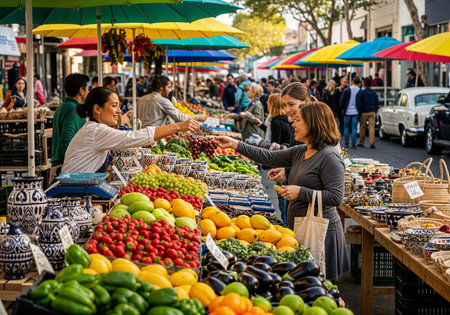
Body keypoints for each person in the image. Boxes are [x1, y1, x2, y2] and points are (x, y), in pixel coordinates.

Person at [216, 102, 349, 281]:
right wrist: (234, 144)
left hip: (321, 232)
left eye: (298, 120)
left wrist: (301, 192)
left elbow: (336, 197)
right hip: (301, 227)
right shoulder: (302, 151)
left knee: (320, 287)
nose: (293, 124)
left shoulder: (330, 157)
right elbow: (268, 157)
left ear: (314, 124)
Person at [62, 87, 200, 173]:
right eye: (114, 106)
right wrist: (178, 126)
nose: (118, 111)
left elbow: (124, 138)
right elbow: (131, 138)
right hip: (73, 192)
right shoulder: (96, 131)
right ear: (97, 109)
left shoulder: (94, 129)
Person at [254, 93, 292, 225]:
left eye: (269, 102)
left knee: (282, 196)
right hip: (284, 162)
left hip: (281, 163)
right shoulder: (280, 120)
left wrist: (259, 144)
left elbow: (275, 145)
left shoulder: (276, 121)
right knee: (284, 196)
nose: (267, 104)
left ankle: (285, 224)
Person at [50, 73, 90, 183]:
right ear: (81, 90)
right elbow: (66, 139)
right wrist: (73, 164)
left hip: (61, 165)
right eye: (87, 89)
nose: (88, 92)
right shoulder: (73, 109)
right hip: (65, 168)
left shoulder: (63, 106)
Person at [137, 75, 207, 128]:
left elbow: (133, 119)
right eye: (169, 87)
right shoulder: (163, 101)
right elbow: (180, 118)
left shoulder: (141, 99)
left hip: (141, 136)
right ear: (161, 88)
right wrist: (197, 117)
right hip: (154, 137)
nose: (170, 90)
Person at [357, 77, 379, 149]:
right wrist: (375, 110)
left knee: (362, 127)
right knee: (371, 127)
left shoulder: (361, 92)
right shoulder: (374, 92)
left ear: (364, 84)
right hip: (372, 111)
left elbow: (359, 103)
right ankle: (372, 142)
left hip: (364, 111)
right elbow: (376, 102)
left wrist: (359, 112)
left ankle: (361, 142)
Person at [340, 77, 361, 148]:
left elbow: (341, 101)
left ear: (352, 82)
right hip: (356, 111)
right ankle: (353, 144)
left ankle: (346, 143)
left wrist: (343, 108)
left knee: (346, 127)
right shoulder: (359, 90)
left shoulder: (347, 90)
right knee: (354, 128)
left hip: (347, 111)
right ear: (359, 83)